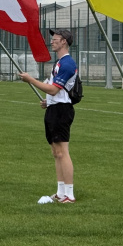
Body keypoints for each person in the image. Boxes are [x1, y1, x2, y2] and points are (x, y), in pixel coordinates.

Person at [20, 29, 77, 203]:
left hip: (61, 111)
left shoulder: (67, 64)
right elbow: (54, 91)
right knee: (56, 152)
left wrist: (31, 80)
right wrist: (49, 101)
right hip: (54, 108)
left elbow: (54, 89)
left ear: (64, 42)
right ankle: (60, 192)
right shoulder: (59, 63)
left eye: (56, 39)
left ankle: (69, 194)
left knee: (62, 152)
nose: (52, 42)